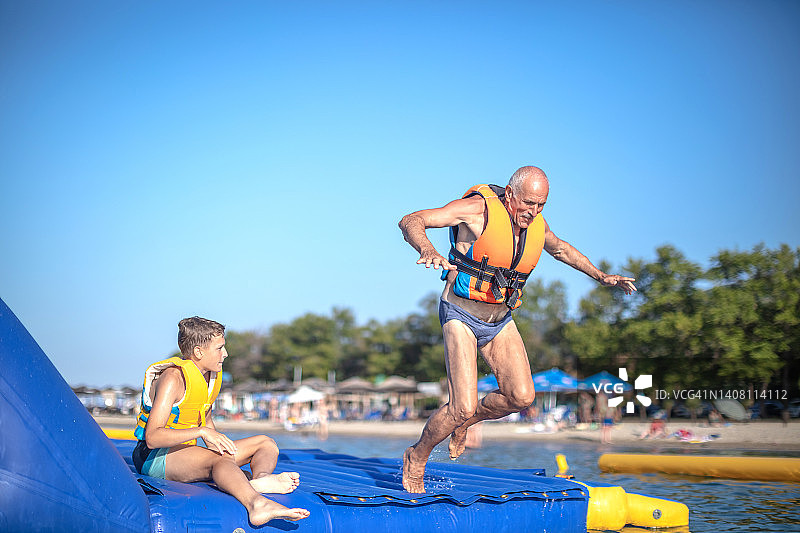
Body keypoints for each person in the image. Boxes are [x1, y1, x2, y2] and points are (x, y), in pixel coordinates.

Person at [398, 166, 636, 492]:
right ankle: (417, 456)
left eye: (541, 205)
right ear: (510, 195)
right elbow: (411, 220)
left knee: (521, 396)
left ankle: (466, 422)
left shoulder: (536, 223)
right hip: (461, 314)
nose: (533, 212)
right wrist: (427, 248)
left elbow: (561, 249)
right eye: (528, 204)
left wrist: (602, 276)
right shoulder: (477, 209)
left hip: (500, 321)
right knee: (461, 404)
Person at [131, 317, 310, 524]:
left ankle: (259, 481)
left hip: (185, 452)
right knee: (220, 461)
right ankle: (256, 504)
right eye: (220, 348)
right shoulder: (173, 378)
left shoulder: (209, 377)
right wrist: (204, 437)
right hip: (153, 456)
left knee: (265, 443)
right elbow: (153, 437)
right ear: (199, 352)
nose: (225, 354)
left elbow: (206, 421)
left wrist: (217, 445)